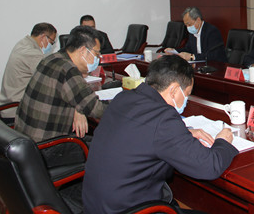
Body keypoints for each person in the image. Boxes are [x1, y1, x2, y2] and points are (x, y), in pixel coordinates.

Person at [82, 55, 238, 214]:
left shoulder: (124, 97)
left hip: (96, 205)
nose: (187, 100)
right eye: (187, 94)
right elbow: (209, 166)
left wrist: (183, 133)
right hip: (130, 209)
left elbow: (143, 132)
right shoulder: (163, 118)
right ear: (174, 90)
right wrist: (223, 141)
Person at [14, 25, 107, 143]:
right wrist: (123, 104)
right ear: (83, 50)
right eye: (97, 54)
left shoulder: (51, 59)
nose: (98, 58)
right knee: (104, 145)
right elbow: (95, 108)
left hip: (27, 138)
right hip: (47, 144)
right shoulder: (68, 70)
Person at [0, 22, 57, 117]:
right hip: (16, 110)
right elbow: (51, 80)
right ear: (43, 37)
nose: (51, 46)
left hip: (8, 103)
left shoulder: (23, 43)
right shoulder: (32, 54)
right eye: (52, 42)